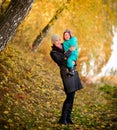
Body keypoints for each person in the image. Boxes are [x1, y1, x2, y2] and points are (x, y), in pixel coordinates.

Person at [50, 34, 83, 125]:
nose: (58, 41)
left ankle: (68, 117)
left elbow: (73, 55)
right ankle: (63, 118)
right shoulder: (53, 52)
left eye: (59, 39)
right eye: (56, 40)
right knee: (69, 95)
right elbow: (61, 61)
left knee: (72, 95)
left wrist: (73, 59)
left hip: (72, 71)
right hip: (65, 73)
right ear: (53, 42)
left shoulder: (64, 46)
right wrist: (69, 52)